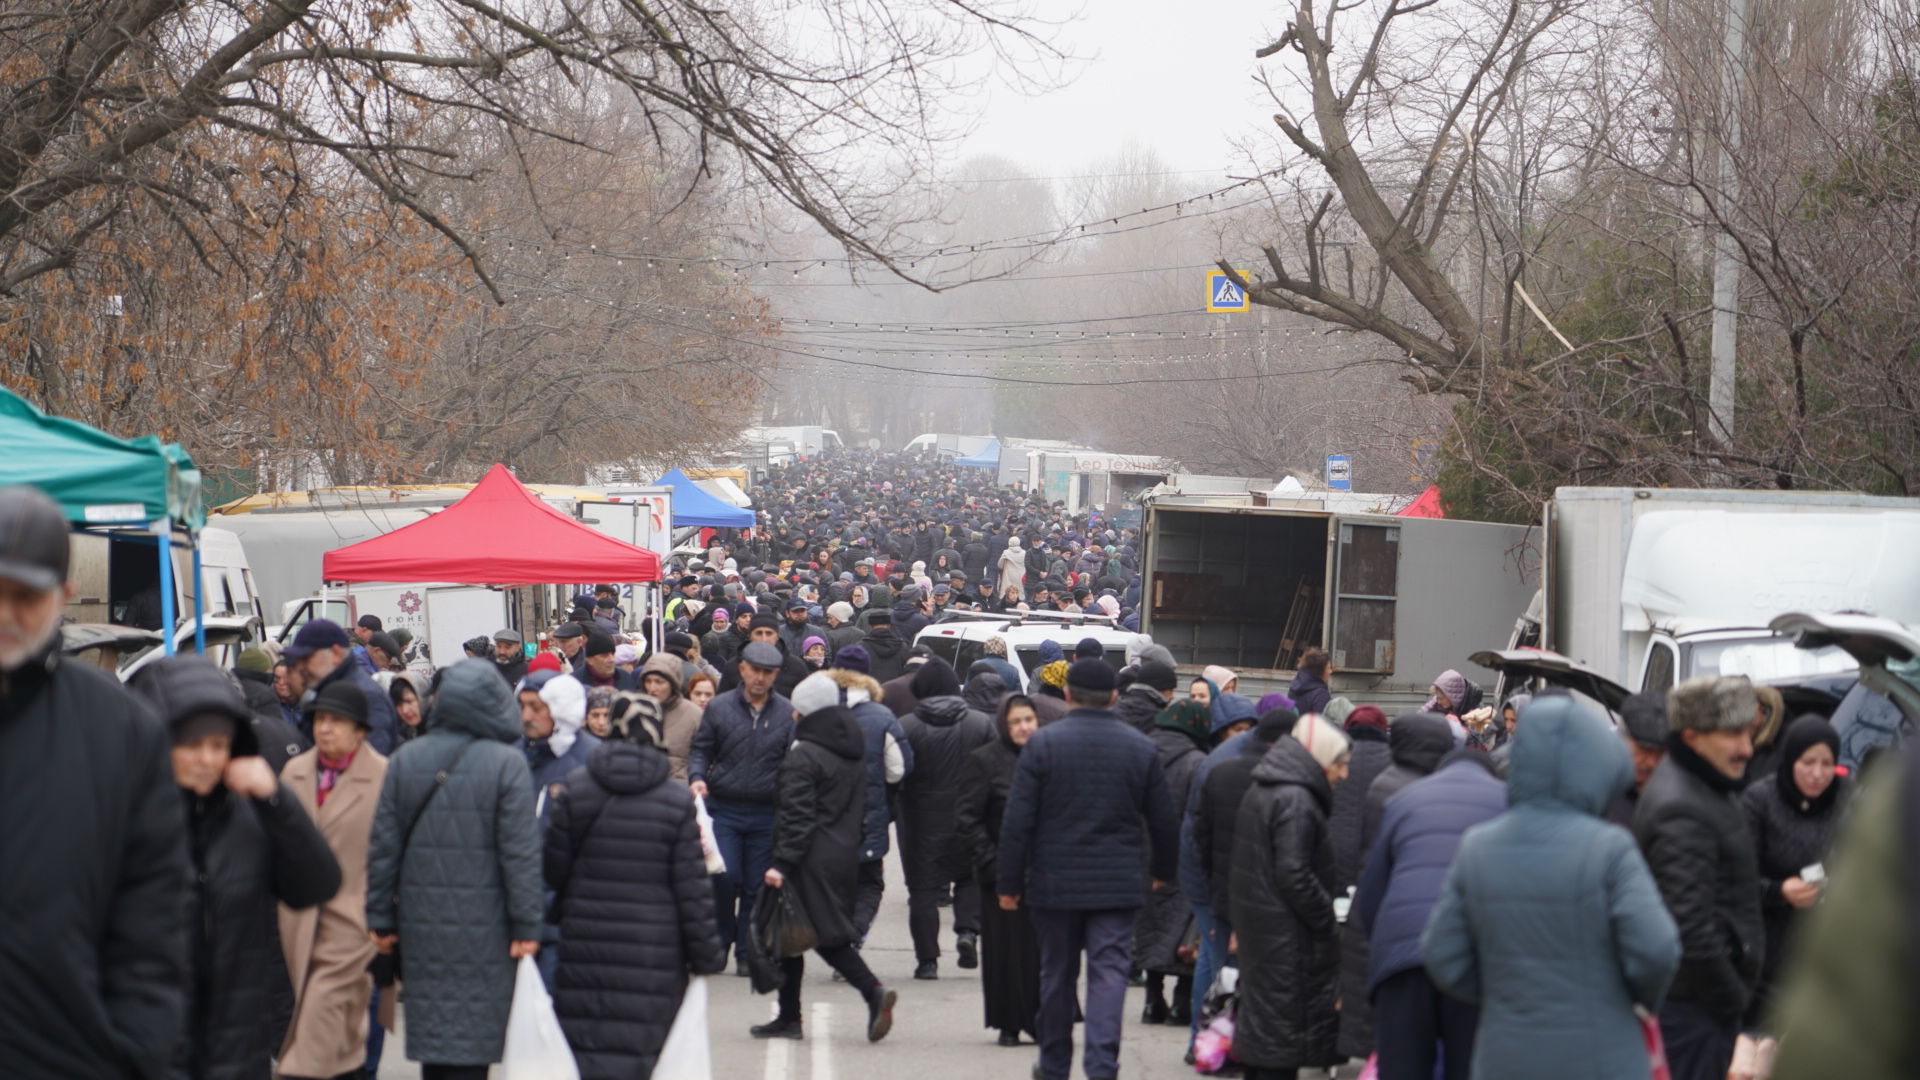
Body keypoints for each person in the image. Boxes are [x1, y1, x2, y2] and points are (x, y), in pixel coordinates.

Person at [0, 486, 194, 1077]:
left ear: (60, 597)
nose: (5, 614)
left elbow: (155, 925)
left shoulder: (122, 730)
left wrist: (135, 1052)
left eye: (25, 596)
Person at [1421, 693, 1681, 1080]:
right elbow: (1658, 951)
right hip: (1604, 1056)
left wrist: (1503, 990)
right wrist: (1628, 997)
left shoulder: (1477, 847)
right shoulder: (1610, 849)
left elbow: (1442, 955)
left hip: (1505, 1056)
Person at [130, 653, 342, 1080]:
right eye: (192, 745)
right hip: (147, 1053)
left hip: (236, 1053)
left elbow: (316, 884)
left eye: (219, 745)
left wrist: (276, 801)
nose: (208, 759)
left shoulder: (246, 816)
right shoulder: (121, 822)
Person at [995, 658, 1179, 1080]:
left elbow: (1018, 819)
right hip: (1117, 884)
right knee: (1109, 975)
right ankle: (1101, 1067)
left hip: (1053, 883)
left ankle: (1055, 1064)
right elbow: (1164, 820)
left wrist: (1009, 882)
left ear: (1067, 695)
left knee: (1056, 973)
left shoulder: (1042, 745)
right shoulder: (1140, 746)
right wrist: (1162, 870)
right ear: (1114, 697)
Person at [366, 659, 544, 1079]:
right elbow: (519, 854)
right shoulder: (506, 763)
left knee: (437, 1037)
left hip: (421, 924)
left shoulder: (405, 758)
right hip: (489, 927)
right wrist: (526, 926)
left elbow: (383, 848)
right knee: (473, 1041)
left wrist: (380, 917)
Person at [543, 689, 727, 1078]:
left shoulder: (576, 788)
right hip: (654, 953)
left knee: (587, 1050)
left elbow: (553, 871)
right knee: (641, 1055)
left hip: (585, 945)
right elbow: (691, 887)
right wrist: (707, 953)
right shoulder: (675, 800)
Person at [752, 672, 900, 1042]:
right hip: (840, 853)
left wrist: (782, 863)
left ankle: (871, 991)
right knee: (796, 933)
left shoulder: (806, 754)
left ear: (808, 712)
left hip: (807, 859)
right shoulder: (848, 745)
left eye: (797, 709)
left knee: (820, 936)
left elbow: (797, 816)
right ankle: (790, 1018)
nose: (792, 716)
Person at [1634, 675, 1765, 1080]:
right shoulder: (1682, 807)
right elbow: (1689, 929)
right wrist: (1731, 1001)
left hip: (1697, 1008)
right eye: (1733, 734)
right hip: (1693, 1013)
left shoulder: (1704, 785)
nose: (1747, 748)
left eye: (1749, 733)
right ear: (1691, 736)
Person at [1352, 741, 1505, 1080]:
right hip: (1472, 959)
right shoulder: (1507, 801)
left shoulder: (1404, 800)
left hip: (1402, 957)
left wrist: (1387, 947)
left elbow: (1371, 894)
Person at [278, 679, 390, 1080]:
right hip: (296, 920)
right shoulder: (294, 772)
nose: (326, 728)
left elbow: (392, 855)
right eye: (321, 719)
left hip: (354, 924)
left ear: (360, 729)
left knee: (314, 1034)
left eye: (337, 721)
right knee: (342, 1040)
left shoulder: (382, 778)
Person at [1228, 714, 1350, 1080]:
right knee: (1279, 1047)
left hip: (1265, 934)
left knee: (1265, 1040)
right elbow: (1294, 873)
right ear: (1320, 759)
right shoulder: (1296, 799)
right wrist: (1327, 920)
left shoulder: (1270, 787)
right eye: (1340, 764)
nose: (1343, 774)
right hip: (1286, 940)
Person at [1737, 716, 1848, 1061]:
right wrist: (1778, 891)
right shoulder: (1760, 800)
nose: (1818, 774)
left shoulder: (1843, 800)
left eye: (1827, 764)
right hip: (1761, 951)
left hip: (1817, 950)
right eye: (1808, 763)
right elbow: (1736, 880)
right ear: (1790, 760)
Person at [687, 640, 795, 973]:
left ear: (775, 675)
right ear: (743, 670)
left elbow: (793, 761)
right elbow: (701, 748)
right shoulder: (719, 708)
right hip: (725, 808)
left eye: (767, 673)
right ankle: (722, 939)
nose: (759, 678)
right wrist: (697, 776)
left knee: (756, 885)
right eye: (754, 671)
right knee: (724, 876)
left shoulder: (786, 713)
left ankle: (747, 952)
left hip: (766, 811)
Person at [896, 656, 995, 979]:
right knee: (969, 878)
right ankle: (967, 932)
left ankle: (927, 961)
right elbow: (996, 771)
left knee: (922, 891)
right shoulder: (980, 724)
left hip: (919, 819)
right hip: (968, 814)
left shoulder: (906, 726)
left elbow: (895, 775)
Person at [958, 693, 1045, 1046]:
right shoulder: (985, 761)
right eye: (1015, 722)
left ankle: (1041, 1019)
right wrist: (991, 861)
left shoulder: (1046, 757)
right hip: (1000, 875)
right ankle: (1008, 1022)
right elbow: (967, 818)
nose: (1023, 727)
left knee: (1041, 952)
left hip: (1043, 874)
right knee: (1005, 952)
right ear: (1004, 726)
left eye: (1028, 720)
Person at [1134, 699, 1210, 1027]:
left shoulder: (1139, 753)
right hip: (1184, 859)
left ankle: (1152, 1000)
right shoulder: (1199, 762)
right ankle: (1181, 1003)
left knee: (1148, 926)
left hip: (1140, 857)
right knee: (1184, 931)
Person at [826, 665, 913, 943]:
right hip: (868, 811)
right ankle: (856, 931)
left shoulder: (816, 713)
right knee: (869, 882)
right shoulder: (881, 715)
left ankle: (839, 933)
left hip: (825, 816)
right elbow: (899, 768)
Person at [283, 618, 401, 754]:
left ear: (336, 654)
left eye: (306, 658)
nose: (301, 667)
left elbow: (372, 763)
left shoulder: (366, 696)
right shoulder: (325, 690)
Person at [234, 645, 309, 772]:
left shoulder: (309, 706)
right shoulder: (267, 699)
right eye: (277, 679)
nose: (281, 684)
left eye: (286, 679)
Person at [1607, 691, 1670, 827]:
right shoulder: (1597, 795)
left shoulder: (1677, 797)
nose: (1652, 762)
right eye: (1644, 750)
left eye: (1661, 753)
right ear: (1621, 739)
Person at [641, 653, 704, 781]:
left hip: (681, 790)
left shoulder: (694, 715)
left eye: (659, 682)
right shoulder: (636, 711)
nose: (652, 688)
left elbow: (703, 757)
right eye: (648, 681)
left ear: (673, 683)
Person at [1113, 659, 1175, 734]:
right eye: (1170, 690)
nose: (1172, 696)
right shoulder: (1158, 720)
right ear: (1159, 689)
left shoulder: (1115, 709)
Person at [1288, 647, 1332, 716]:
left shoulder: (1293, 689)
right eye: (1328, 668)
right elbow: (1323, 724)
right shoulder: (1321, 695)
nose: (1330, 672)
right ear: (1319, 670)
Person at [389, 673, 428, 744]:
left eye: (409, 701)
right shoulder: (403, 732)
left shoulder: (442, 732)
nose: (404, 710)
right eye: (398, 705)